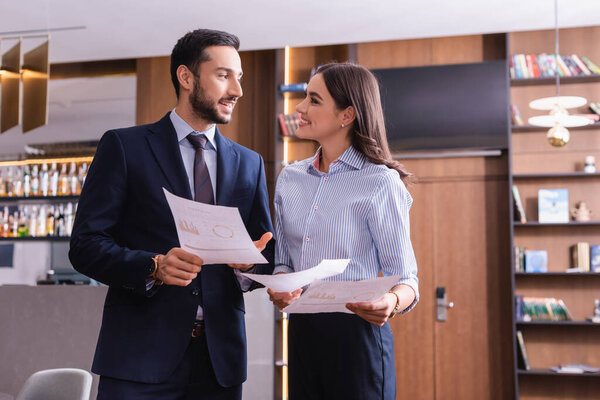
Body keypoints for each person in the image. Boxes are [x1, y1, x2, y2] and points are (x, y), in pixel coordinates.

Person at [69, 29, 274, 400]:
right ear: (186, 77)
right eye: (224, 75)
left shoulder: (249, 163)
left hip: (219, 364)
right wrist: (153, 266)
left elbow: (266, 253)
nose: (237, 91)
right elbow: (85, 245)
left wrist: (251, 266)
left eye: (239, 77)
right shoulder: (124, 147)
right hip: (137, 359)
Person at [268, 62, 419, 400]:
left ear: (346, 115)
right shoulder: (289, 178)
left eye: (314, 100)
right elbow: (283, 262)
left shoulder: (380, 182)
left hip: (358, 337)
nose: (300, 108)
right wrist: (281, 285)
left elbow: (407, 278)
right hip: (302, 333)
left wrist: (391, 301)